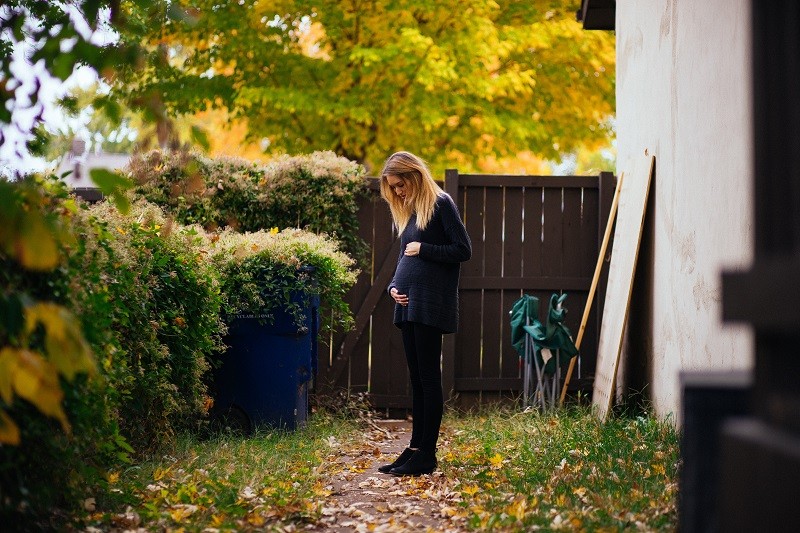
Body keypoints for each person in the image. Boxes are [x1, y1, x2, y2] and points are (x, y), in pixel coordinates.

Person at [376, 151, 472, 476]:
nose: (398, 192)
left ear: (415, 176)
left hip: (431, 303)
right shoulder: (412, 212)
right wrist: (392, 287)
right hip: (408, 304)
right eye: (393, 188)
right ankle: (415, 448)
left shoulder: (441, 204)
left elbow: (463, 249)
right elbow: (404, 257)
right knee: (416, 380)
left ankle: (427, 455)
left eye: (401, 185)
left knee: (429, 378)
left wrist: (425, 249)